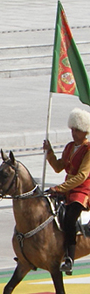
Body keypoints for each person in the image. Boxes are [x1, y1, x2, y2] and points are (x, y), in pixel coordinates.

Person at [44, 109, 90, 275]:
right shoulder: (70, 147)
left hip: (82, 191)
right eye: (72, 129)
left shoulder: (88, 149)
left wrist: (59, 188)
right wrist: (49, 152)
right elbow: (58, 167)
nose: (73, 133)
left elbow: (82, 175)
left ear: (85, 130)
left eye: (77, 130)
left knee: (70, 219)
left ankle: (69, 258)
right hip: (67, 188)